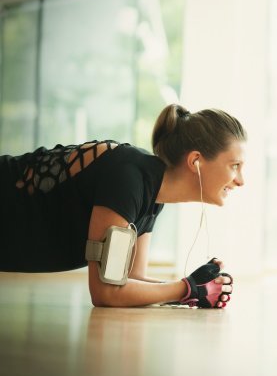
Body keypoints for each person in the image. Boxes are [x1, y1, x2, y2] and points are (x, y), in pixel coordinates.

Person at [0, 104, 246, 308]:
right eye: (235, 165)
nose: (240, 180)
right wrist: (187, 288)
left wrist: (194, 291)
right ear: (196, 161)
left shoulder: (153, 195)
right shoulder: (128, 177)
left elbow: (130, 279)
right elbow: (106, 292)